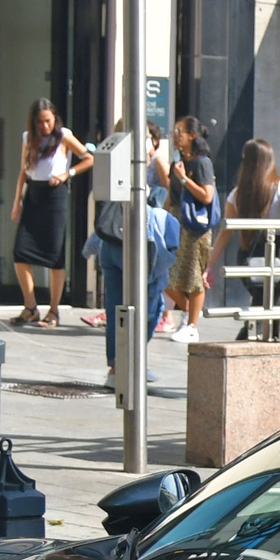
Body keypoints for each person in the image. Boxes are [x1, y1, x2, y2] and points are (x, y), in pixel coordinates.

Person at [95, 121, 175, 382]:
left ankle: (117, 367)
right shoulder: (135, 165)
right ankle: (131, 363)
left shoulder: (111, 154)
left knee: (117, 307)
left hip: (110, 243)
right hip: (134, 245)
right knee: (151, 302)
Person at [8, 98, 90, 328]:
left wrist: (68, 174)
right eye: (40, 122)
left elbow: (88, 158)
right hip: (34, 193)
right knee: (20, 252)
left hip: (55, 194)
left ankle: (54, 310)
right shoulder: (28, 138)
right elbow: (23, 171)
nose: (44, 127)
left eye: (48, 121)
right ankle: (30, 306)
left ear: (54, 118)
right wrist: (17, 202)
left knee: (55, 254)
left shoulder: (64, 136)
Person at [227, 138, 280, 341]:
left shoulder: (236, 194)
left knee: (263, 299)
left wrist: (210, 267)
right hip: (275, 256)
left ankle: (262, 332)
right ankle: (263, 334)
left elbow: (225, 232)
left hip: (247, 256)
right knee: (269, 299)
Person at [163, 115, 218, 343]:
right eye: (174, 132)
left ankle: (193, 326)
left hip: (195, 226)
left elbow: (207, 195)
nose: (175, 137)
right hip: (176, 221)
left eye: (179, 132)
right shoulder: (178, 162)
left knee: (194, 276)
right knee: (165, 275)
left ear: (192, 135)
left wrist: (185, 180)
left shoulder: (202, 163)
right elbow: (170, 195)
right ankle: (188, 312)